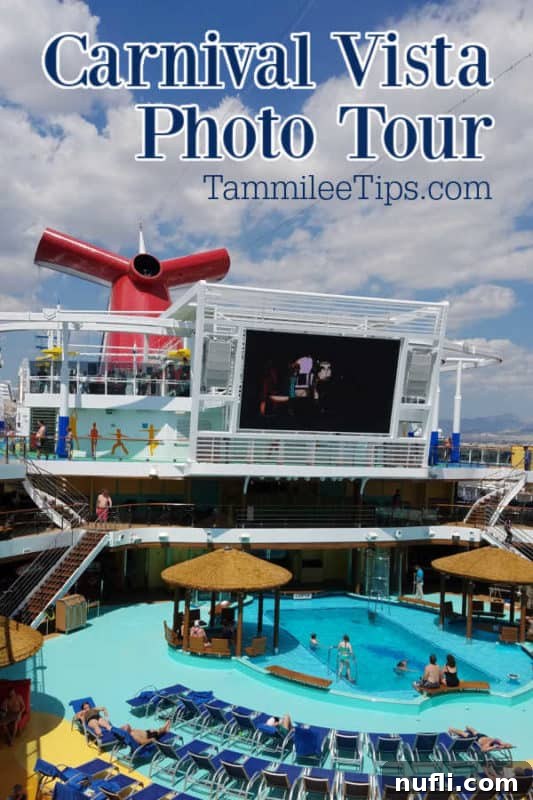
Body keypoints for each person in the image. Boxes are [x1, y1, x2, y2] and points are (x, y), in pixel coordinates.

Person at [447, 726, 513, 752]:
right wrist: (504, 745)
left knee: (467, 733)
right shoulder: (498, 742)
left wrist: (493, 747)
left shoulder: (489, 745)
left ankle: (453, 729)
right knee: (471, 732)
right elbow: (509, 745)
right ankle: (466, 728)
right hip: (481, 737)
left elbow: (483, 749)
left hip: (476, 739)